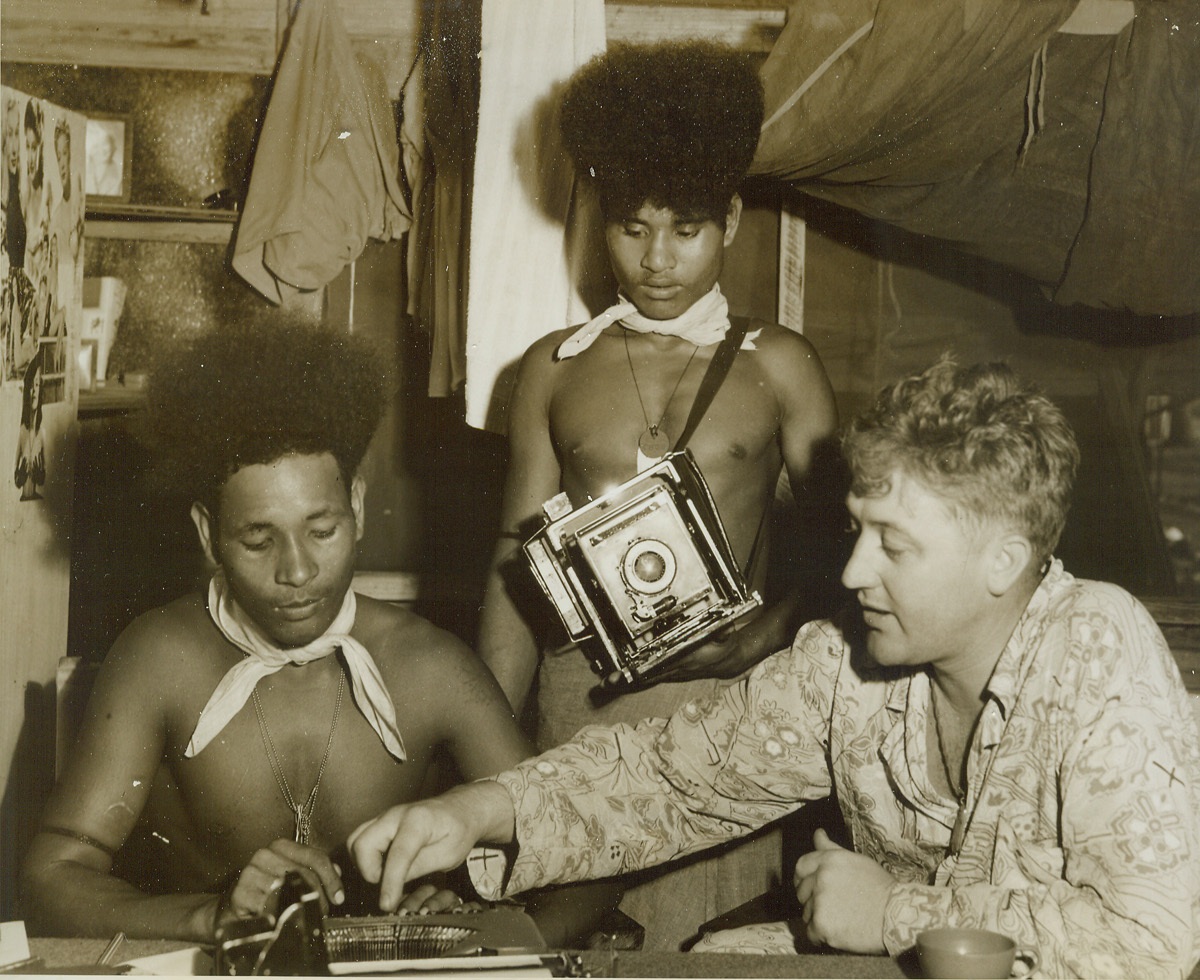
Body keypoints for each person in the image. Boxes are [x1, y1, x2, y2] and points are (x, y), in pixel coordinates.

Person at [351, 357, 1200, 977]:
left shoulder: (1099, 651)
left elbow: (1152, 944)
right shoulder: (847, 661)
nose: (856, 570)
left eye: (893, 545)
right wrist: (481, 809)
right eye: (857, 532)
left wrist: (891, 913)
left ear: (1003, 559)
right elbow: (672, 777)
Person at [21, 320, 617, 944]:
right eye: (258, 540)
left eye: (322, 531)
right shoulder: (159, 659)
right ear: (207, 535)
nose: (298, 571)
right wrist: (208, 917)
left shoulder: (431, 667)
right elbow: (52, 878)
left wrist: (482, 935)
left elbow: (590, 861)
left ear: (357, 508)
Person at [475, 39, 843, 950]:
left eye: (685, 228)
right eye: (631, 228)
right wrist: (486, 751)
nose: (657, 258)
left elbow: (849, 556)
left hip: (737, 714)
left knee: (707, 948)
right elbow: (510, 564)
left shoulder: (783, 365)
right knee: (573, 945)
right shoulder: (552, 370)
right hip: (582, 704)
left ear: (731, 219)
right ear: (599, 222)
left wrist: (767, 634)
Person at [13, 346, 45, 500]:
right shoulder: (22, 429)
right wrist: (18, 477)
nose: (33, 391)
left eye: (37, 385)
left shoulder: (43, 428)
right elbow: (16, 475)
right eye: (32, 386)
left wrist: (41, 477)